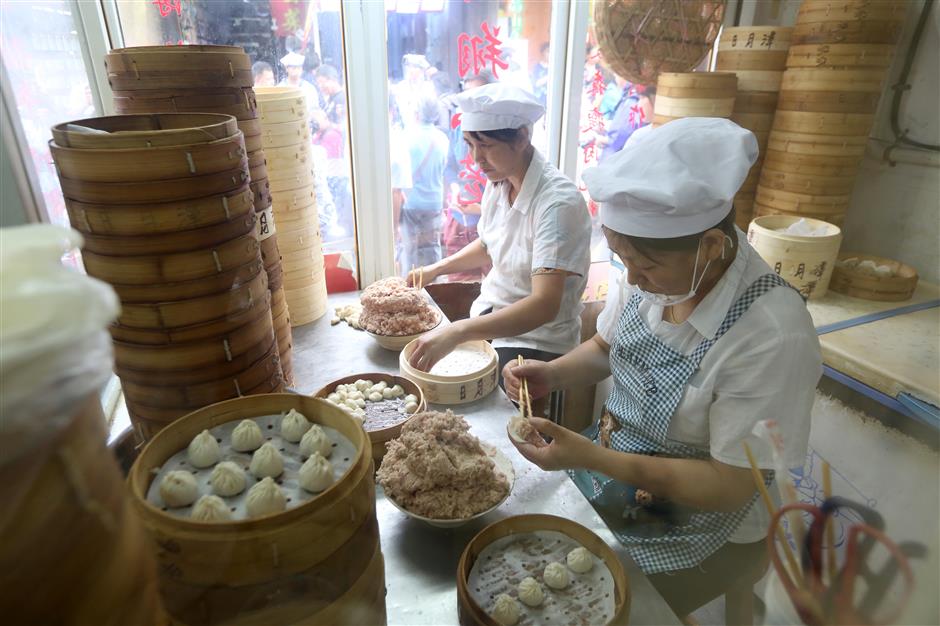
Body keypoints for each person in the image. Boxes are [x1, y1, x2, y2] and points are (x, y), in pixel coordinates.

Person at [502, 117, 822, 618]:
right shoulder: (655, 267)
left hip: (703, 521)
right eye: (621, 259)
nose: (632, 278)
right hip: (617, 464)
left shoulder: (771, 334)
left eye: (645, 267)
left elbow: (730, 485)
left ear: (713, 247)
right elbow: (609, 348)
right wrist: (552, 374)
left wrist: (590, 457)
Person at [407, 84, 592, 414]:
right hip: (493, 320)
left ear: (521, 138)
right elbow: (491, 245)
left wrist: (458, 330)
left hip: (537, 341)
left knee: (499, 425)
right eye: (470, 145)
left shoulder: (557, 204)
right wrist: (437, 269)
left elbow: (544, 305)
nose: (476, 158)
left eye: (486, 146)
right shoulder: (499, 184)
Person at [398, 97, 449, 275]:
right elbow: (443, 169)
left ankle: (410, 287)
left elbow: (401, 173)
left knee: (410, 247)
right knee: (432, 244)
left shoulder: (407, 136)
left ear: (417, 114)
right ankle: (433, 284)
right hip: (434, 201)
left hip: (411, 201)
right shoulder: (442, 138)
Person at [278, 51, 321, 118]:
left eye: (299, 67)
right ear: (286, 68)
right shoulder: (279, 88)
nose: (296, 70)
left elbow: (315, 109)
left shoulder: (309, 88)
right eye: (293, 67)